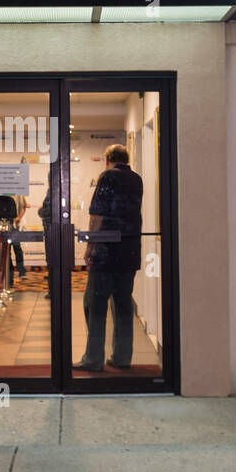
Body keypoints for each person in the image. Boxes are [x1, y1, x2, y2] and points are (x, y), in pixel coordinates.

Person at [75, 144, 143, 372]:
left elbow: (97, 215)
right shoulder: (137, 180)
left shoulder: (107, 178)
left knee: (94, 305)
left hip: (107, 252)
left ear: (107, 160)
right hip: (130, 251)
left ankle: (93, 359)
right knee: (123, 305)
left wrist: (90, 247)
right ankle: (122, 357)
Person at [38, 185, 54, 298]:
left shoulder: (51, 192)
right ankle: (53, 290)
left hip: (50, 230)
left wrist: (40, 211)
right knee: (52, 262)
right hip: (53, 231)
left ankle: (52, 291)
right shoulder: (56, 190)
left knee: (51, 262)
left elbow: (46, 211)